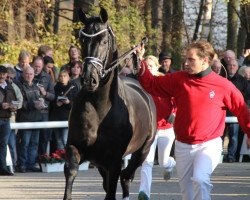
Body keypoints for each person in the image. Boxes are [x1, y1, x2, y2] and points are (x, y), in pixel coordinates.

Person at [137, 40, 250, 200]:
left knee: (200, 179)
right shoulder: (178, 79)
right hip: (182, 146)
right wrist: (140, 62)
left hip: (208, 144)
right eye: (186, 59)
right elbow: (152, 85)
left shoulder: (223, 85)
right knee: (187, 195)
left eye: (191, 59)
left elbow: (241, 109)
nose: (186, 63)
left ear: (205, 60)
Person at [138, 55, 176, 200]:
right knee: (146, 162)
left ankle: (170, 164)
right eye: (146, 66)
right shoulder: (142, 85)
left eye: (151, 66)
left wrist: (174, 113)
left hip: (166, 128)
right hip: (150, 130)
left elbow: (177, 98)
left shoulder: (164, 81)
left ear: (157, 66)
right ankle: (144, 193)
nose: (148, 68)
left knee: (163, 162)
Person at [16, 67, 44, 173]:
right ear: (23, 74)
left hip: (37, 118)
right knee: (25, 143)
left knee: (34, 143)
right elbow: (19, 103)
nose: (29, 76)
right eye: (27, 74)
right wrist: (33, 104)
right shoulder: (19, 85)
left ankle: (31, 164)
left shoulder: (37, 85)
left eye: (31, 74)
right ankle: (22, 164)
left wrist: (41, 101)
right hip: (25, 119)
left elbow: (40, 98)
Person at [223, 59, 249, 162]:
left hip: (235, 114)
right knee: (220, 136)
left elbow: (247, 95)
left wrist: (238, 96)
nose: (232, 67)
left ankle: (231, 157)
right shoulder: (223, 79)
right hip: (223, 113)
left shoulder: (242, 81)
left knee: (233, 137)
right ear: (227, 66)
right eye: (230, 65)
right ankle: (218, 156)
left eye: (234, 65)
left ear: (237, 67)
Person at [32, 56, 55, 157]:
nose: (37, 68)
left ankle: (43, 159)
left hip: (44, 112)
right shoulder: (28, 75)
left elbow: (53, 96)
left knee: (44, 138)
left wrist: (45, 94)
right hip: (31, 112)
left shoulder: (48, 77)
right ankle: (31, 161)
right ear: (32, 65)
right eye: (35, 66)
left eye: (39, 66)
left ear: (42, 66)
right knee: (33, 139)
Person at [50, 70, 75, 150]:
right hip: (56, 116)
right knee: (58, 140)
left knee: (65, 139)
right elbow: (51, 101)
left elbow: (76, 103)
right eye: (61, 76)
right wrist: (56, 104)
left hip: (66, 117)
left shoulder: (72, 88)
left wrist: (68, 102)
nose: (62, 78)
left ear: (68, 78)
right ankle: (60, 159)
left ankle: (67, 158)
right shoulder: (55, 87)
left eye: (65, 76)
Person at [0, 65, 17, 176]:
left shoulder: (9, 86)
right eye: (0, 74)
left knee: (3, 144)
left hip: (6, 118)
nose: (2, 76)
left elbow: (14, 99)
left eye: (4, 74)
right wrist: (1, 105)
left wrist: (13, 106)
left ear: (7, 74)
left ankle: (2, 168)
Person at [6, 67, 23, 171]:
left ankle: (13, 165)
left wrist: (16, 106)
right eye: (7, 77)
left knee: (11, 144)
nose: (9, 79)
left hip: (11, 119)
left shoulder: (15, 87)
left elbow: (20, 100)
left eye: (11, 78)